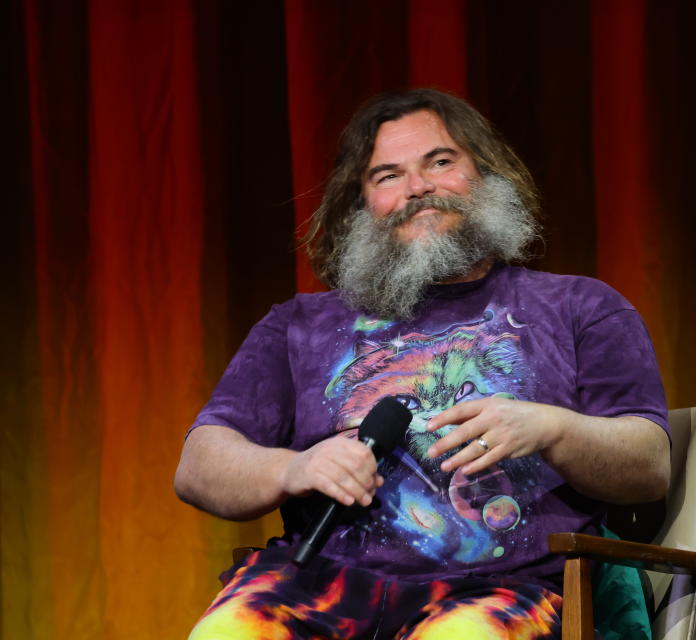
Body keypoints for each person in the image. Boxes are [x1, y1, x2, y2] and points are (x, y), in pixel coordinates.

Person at [175, 88, 670, 640]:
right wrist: (290, 469)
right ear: (360, 204)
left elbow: (649, 465)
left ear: (485, 174)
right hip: (318, 586)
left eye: (440, 162)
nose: (418, 188)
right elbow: (200, 465)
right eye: (387, 176)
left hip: (502, 590)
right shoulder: (297, 325)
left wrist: (551, 428)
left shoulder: (582, 307)